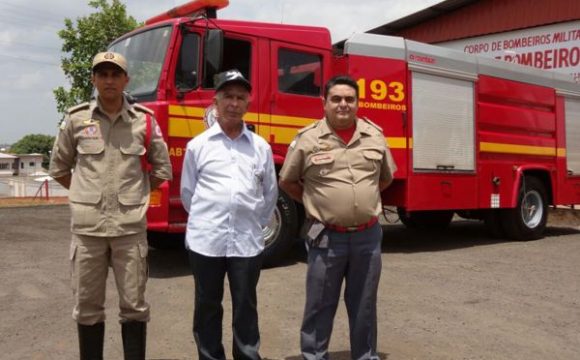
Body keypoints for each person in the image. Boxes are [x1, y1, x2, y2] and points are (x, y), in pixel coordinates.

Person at [49, 51, 172, 360]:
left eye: (115, 74)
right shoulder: (77, 119)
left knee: (134, 307)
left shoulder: (144, 120)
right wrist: (85, 195)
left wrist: (135, 196)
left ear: (125, 80)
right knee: (88, 307)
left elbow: (162, 170)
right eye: (102, 74)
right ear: (94, 79)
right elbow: (60, 168)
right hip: (87, 231)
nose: (109, 80)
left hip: (129, 230)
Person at [279, 75, 397, 360]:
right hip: (326, 236)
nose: (343, 104)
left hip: (368, 237)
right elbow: (288, 181)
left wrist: (358, 203)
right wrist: (315, 203)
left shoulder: (374, 136)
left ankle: (365, 355)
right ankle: (314, 356)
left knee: (364, 302)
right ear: (324, 103)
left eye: (349, 99)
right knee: (320, 304)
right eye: (336, 99)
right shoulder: (308, 139)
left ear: (357, 103)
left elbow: (385, 178)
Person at [180, 69, 278, 360]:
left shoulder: (261, 148)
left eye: (240, 97)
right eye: (228, 97)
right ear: (215, 102)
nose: (234, 103)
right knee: (208, 306)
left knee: (246, 307)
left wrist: (252, 223)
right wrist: (209, 220)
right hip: (206, 241)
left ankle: (247, 356)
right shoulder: (197, 146)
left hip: (247, 243)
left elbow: (269, 195)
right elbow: (189, 194)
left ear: (248, 103)